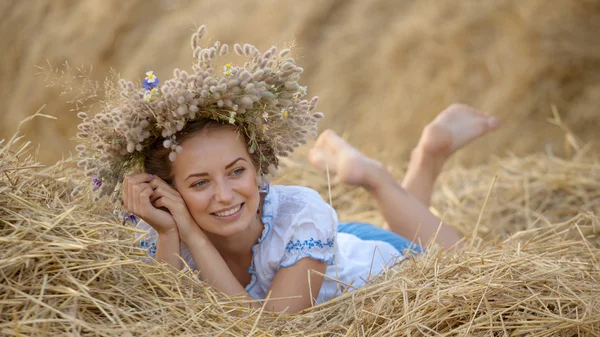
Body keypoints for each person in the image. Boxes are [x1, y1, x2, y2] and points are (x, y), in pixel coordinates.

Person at [74, 25, 499, 314]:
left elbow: (265, 331)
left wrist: (192, 234)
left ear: (259, 167)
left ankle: (387, 170)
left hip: (370, 261)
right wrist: (170, 232)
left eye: (236, 171)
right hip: (326, 249)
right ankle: (399, 167)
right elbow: (165, 314)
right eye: (199, 182)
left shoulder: (300, 216)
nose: (224, 195)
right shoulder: (162, 232)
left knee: (479, 269)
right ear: (167, 189)